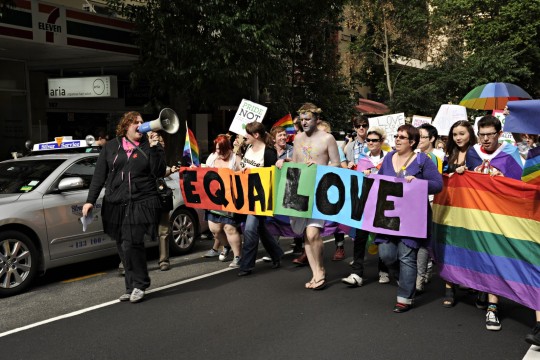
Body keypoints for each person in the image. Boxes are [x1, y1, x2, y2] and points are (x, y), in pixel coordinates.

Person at [82, 111, 166, 303]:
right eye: (136, 122)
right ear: (126, 126)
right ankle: (130, 286)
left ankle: (140, 284)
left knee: (132, 241)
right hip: (116, 203)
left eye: (143, 122)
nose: (141, 125)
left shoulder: (149, 144)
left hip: (141, 201)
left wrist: (155, 148)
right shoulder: (112, 146)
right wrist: (90, 200)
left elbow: (159, 171)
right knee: (122, 245)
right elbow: (99, 176)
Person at [375, 124, 443, 312]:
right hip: (389, 215)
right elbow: (380, 180)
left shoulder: (423, 161)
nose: (396, 139)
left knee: (406, 256)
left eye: (402, 137)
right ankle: (404, 277)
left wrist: (419, 183)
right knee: (387, 254)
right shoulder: (388, 158)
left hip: (412, 216)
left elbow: (438, 185)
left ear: (412, 142)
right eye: (396, 136)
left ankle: (405, 297)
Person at [465, 115, 523, 331]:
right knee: (481, 258)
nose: (486, 139)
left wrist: (502, 178)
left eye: (490, 135)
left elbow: (518, 185)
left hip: (500, 216)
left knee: (495, 258)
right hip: (477, 214)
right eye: (482, 135)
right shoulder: (473, 153)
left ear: (499, 134)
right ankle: (484, 290)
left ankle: (493, 307)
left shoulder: (510, 153)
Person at [291, 102, 341, 290]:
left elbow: (337, 164)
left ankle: (320, 271)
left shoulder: (328, 138)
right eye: (302, 119)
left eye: (307, 119)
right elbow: (295, 163)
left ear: (316, 119)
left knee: (313, 233)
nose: (304, 122)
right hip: (301, 190)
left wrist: (320, 168)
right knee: (306, 235)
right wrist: (284, 163)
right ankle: (315, 273)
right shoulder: (297, 138)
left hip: (320, 189)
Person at [342, 126, 390, 287]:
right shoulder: (362, 159)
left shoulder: (389, 158)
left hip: (383, 203)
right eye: (368, 140)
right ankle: (357, 273)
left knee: (382, 237)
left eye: (374, 140)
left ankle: (384, 269)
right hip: (364, 203)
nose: (370, 142)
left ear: (381, 142)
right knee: (360, 238)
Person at [237, 122, 284, 276]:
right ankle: (276, 254)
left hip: (261, 198)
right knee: (261, 229)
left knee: (250, 229)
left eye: (247, 134)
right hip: (248, 195)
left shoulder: (269, 152)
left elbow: (271, 177)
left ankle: (246, 266)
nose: (245, 136)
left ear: (256, 135)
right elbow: (243, 167)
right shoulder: (249, 149)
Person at [440, 120, 477, 308]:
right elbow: (444, 177)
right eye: (455, 134)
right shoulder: (450, 154)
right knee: (450, 247)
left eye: (462, 133)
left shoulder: (476, 153)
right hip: (452, 208)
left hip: (471, 210)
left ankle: (476, 285)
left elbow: (481, 177)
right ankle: (449, 288)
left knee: (471, 248)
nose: (458, 137)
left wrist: (469, 173)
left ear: (470, 134)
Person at [204, 134, 243, 268]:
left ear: (229, 148)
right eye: (217, 149)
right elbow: (203, 173)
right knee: (214, 228)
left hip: (230, 200)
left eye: (222, 149)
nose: (219, 152)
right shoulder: (212, 157)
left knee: (229, 227)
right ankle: (226, 246)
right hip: (213, 199)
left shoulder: (236, 159)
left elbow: (244, 177)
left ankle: (238, 256)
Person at [415, 123, 442, 293]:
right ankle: (423, 271)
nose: (419, 140)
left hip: (432, 201)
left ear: (432, 139)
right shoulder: (415, 155)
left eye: (423, 137)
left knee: (425, 239)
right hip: (416, 202)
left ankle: (422, 273)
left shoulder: (436, 157)